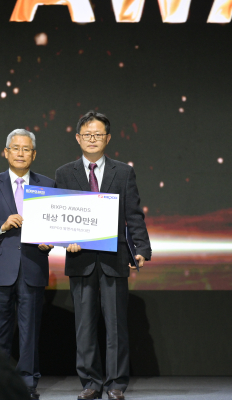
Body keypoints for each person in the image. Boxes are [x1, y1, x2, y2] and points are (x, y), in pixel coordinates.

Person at [54, 111, 152, 400]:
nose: (92, 139)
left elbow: (134, 214)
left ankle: (116, 383)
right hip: (80, 259)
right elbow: (58, 216)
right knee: (84, 326)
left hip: (114, 257)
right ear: (77, 138)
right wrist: (65, 241)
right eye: (87, 134)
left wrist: (142, 249)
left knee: (116, 325)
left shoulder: (123, 172)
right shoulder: (64, 173)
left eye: (98, 134)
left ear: (108, 138)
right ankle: (90, 383)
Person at [0, 129, 55, 399]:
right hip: (0, 268)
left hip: (33, 266)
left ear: (34, 154)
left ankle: (27, 384)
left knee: (30, 331)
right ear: (5, 152)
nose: (20, 153)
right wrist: (2, 224)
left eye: (26, 149)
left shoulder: (48, 185)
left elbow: (56, 224)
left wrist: (51, 242)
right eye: (15, 148)